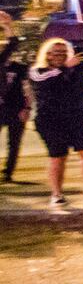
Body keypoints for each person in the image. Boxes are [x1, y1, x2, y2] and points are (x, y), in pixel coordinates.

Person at [29, 21, 83, 207]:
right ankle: (57, 194)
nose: (59, 55)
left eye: (63, 52)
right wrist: (65, 67)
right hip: (51, 120)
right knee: (58, 157)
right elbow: (46, 82)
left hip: (79, 116)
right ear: (47, 55)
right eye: (55, 52)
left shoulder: (74, 67)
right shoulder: (38, 71)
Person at [2, 12, 33, 183]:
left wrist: (27, 108)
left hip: (16, 107)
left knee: (13, 143)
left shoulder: (18, 67)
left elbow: (27, 87)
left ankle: (8, 173)